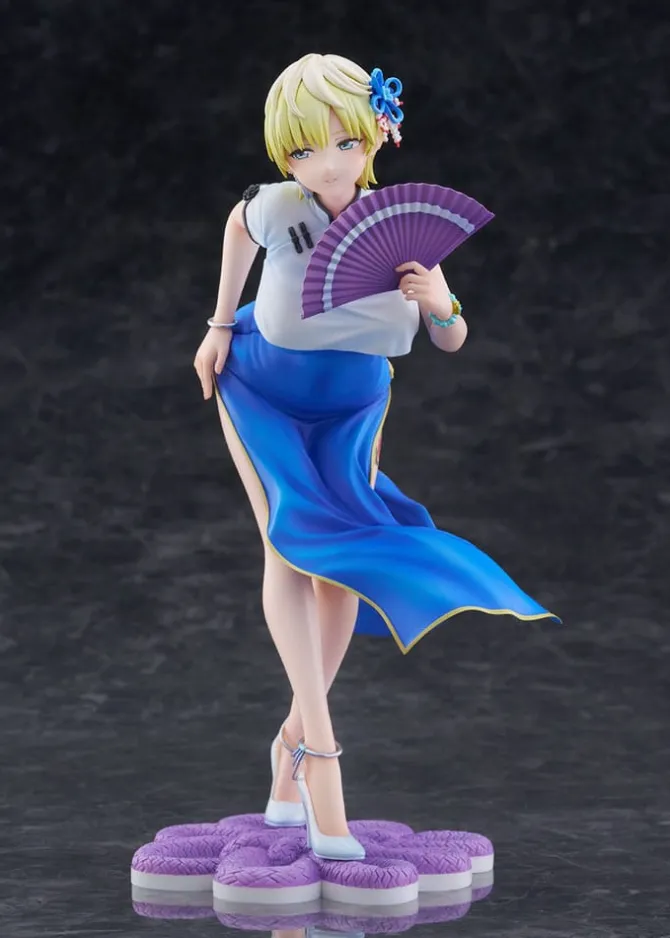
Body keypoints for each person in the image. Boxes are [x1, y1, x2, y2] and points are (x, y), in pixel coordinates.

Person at [192, 53, 559, 862]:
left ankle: (289, 743)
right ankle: (321, 756)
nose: (327, 165)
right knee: (289, 543)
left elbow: (452, 339)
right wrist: (218, 325)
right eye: (304, 149)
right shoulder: (274, 206)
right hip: (262, 387)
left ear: (377, 136)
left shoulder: (401, 229)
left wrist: (441, 304)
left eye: (346, 143)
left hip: (354, 405)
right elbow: (236, 229)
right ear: (284, 155)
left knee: (344, 560)